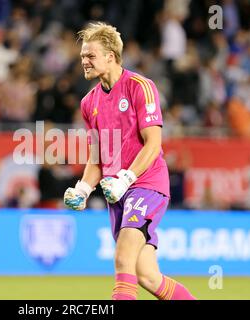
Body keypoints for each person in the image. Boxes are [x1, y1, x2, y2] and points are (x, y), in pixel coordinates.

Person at [64, 22, 195, 300]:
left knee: (123, 258)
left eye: (90, 56)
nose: (84, 61)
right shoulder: (89, 103)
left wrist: (126, 179)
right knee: (147, 276)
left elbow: (153, 144)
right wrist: (83, 190)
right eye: (83, 57)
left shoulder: (140, 87)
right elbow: (97, 157)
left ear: (111, 56)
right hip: (117, 194)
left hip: (146, 184)